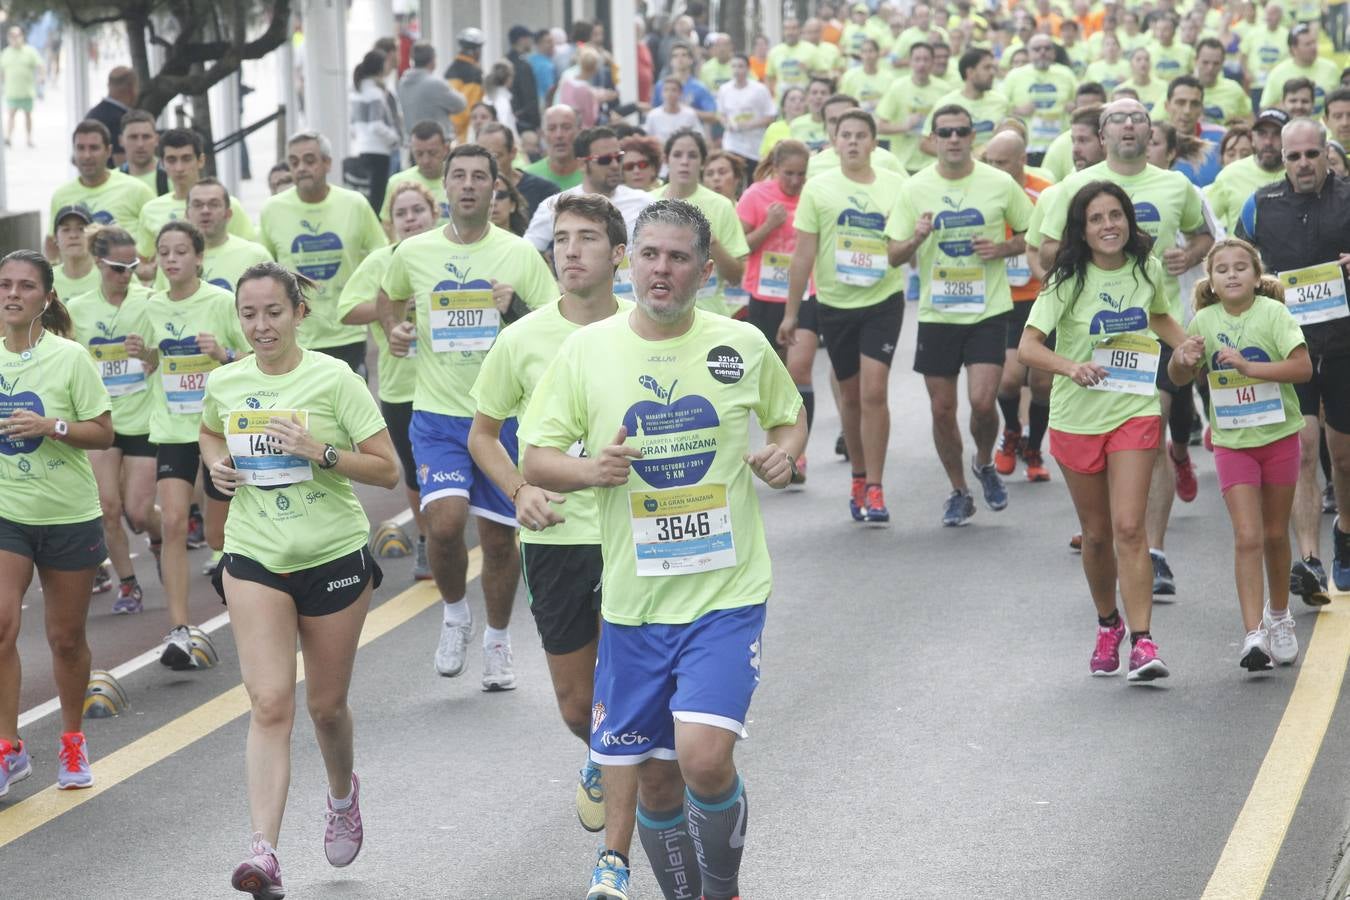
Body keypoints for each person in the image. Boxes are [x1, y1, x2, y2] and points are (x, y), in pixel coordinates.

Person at [520, 198, 806, 900]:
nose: (662, 269)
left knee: (704, 760)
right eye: (650, 254)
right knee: (653, 777)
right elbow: (535, 457)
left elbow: (789, 417)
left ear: (705, 272)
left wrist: (783, 456)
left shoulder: (738, 345)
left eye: (679, 258)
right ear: (629, 263)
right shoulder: (588, 351)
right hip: (634, 602)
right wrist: (592, 471)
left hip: (726, 593)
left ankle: (723, 888)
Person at [199, 263, 398, 899]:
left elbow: (389, 470)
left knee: (325, 705)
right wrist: (217, 465)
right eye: (249, 314)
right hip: (254, 555)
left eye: (273, 313)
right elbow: (208, 431)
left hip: (333, 557)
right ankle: (264, 850)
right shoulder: (226, 382)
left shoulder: (334, 379)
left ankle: (342, 795)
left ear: (298, 315)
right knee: (269, 703)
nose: (261, 326)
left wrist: (321, 453)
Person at [468, 193, 639, 896]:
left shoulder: (646, 328)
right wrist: (519, 491)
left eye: (588, 239)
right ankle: (602, 754)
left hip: (636, 539)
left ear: (619, 256)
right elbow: (482, 433)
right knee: (579, 707)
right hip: (557, 540)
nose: (571, 251)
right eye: (562, 240)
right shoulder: (524, 338)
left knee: (625, 698)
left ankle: (616, 861)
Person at [377, 144, 557, 691]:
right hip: (437, 415)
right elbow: (389, 298)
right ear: (445, 189)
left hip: (501, 418)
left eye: (481, 177)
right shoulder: (414, 252)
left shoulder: (519, 254)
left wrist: (514, 309)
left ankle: (498, 643)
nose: (470, 185)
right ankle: (456, 615)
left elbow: (552, 322)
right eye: (460, 176)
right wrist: (396, 330)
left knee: (501, 543)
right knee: (446, 525)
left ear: (496, 190)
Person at [1019, 181, 1198, 682]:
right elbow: (1028, 348)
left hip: (1134, 409)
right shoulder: (1066, 279)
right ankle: (1108, 624)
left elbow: (1160, 315)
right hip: (1076, 418)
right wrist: (1071, 366)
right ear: (1083, 229)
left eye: (1115, 215)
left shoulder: (1147, 268)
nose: (1108, 225)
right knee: (1097, 536)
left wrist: (1183, 347)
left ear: (1129, 221)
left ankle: (1143, 641)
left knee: (1128, 527)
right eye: (1096, 218)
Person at [1038, 99, 1214, 594]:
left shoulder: (1177, 185)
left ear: (1151, 129)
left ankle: (1150, 548)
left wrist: (1187, 255)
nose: (1130, 126)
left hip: (1155, 329)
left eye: (1139, 118)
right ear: (1102, 132)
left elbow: (1204, 238)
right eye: (1119, 119)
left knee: (1150, 425)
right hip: (1094, 336)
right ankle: (1118, 529)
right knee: (1133, 439)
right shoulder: (1072, 188)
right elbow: (1044, 252)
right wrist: (1095, 260)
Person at [1166, 238, 1311, 670]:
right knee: (1247, 536)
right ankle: (1253, 636)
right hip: (1232, 443)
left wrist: (1251, 369)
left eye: (1240, 267)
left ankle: (1280, 616)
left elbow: (1302, 369)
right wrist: (1181, 358)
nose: (1231, 275)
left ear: (1256, 274)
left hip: (1279, 436)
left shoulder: (1275, 314)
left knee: (1272, 534)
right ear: (1210, 280)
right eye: (1222, 269)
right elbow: (1179, 376)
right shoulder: (1204, 320)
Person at [0, 249, 114, 797]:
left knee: (66, 640)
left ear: (45, 298)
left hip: (68, 513)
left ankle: (72, 740)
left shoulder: (70, 359)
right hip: (9, 512)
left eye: (25, 286)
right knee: (1, 624)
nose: (13, 294)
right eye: (5, 285)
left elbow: (103, 432)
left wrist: (51, 424)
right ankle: (8, 749)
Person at [891, 105, 1034, 525]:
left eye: (961, 132)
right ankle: (958, 489)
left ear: (974, 137)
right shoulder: (914, 188)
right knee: (941, 410)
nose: (953, 139)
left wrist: (1002, 248)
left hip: (987, 309)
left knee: (982, 402)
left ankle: (985, 461)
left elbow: (1032, 234)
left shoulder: (999, 183)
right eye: (945, 132)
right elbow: (892, 254)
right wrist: (916, 238)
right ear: (933, 139)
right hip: (938, 314)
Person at [1237, 117, 1350, 597]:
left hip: (1345, 342)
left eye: (1312, 153)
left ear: (1327, 152)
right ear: (1280, 158)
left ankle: (1344, 533)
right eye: (1293, 156)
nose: (1303, 163)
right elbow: (1235, 265)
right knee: (1303, 449)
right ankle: (1309, 559)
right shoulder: (1261, 205)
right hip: (1289, 346)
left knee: (1342, 458)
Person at [127, 221, 246, 667]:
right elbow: (160, 359)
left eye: (181, 251)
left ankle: (249, 601)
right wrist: (146, 355)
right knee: (174, 523)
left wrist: (224, 355)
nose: (172, 259)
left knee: (218, 534)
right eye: (164, 252)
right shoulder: (152, 306)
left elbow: (254, 356)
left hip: (217, 430)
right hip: (173, 430)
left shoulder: (220, 302)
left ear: (199, 258)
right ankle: (178, 630)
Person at [784, 109, 907, 521]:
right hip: (835, 304)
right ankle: (857, 475)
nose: (852, 142)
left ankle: (876, 485)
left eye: (860, 136)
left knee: (875, 392)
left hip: (883, 299)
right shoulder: (818, 189)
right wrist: (792, 313)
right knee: (851, 397)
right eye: (845, 135)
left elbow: (908, 241)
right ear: (834, 142)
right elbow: (803, 254)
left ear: (873, 143)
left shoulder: (896, 185)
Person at [338, 181, 439, 583]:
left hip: (458, 384)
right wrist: (391, 307)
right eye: (402, 213)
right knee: (415, 473)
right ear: (390, 223)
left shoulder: (450, 255)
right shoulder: (381, 262)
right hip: (403, 386)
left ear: (434, 213)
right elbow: (346, 310)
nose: (411, 219)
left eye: (418, 210)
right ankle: (428, 541)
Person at [67, 227, 162, 615]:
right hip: (101, 420)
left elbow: (163, 362)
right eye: (119, 268)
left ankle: (158, 538)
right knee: (107, 507)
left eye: (133, 267)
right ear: (99, 263)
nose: (127, 275)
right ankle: (128, 583)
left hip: (142, 418)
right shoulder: (79, 308)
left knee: (138, 513)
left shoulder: (152, 301)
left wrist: (149, 355)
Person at [259, 131, 388, 375]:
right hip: (298, 334)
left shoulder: (355, 204)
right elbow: (264, 270)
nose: (302, 168)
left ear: (327, 163)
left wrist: (372, 303)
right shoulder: (272, 209)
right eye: (294, 162)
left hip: (347, 332)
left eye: (309, 160)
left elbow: (380, 257)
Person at [740, 139, 819, 478]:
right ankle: (776, 447)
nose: (795, 181)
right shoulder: (756, 195)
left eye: (802, 174)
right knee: (772, 383)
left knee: (799, 371)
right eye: (788, 174)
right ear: (774, 168)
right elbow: (739, 248)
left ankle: (796, 453)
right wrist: (769, 225)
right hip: (764, 296)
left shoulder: (812, 197)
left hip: (805, 295)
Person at [982, 130, 1055, 483]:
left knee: (1041, 384)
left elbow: (1042, 238)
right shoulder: (979, 188)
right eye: (989, 162)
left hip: (1040, 297)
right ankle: (1012, 431)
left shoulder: (1043, 190)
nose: (994, 169)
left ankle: (1035, 448)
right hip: (1002, 297)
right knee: (1009, 380)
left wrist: (1003, 248)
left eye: (1001, 163)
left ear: (1022, 160)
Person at [524, 127, 654, 302]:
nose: (615, 165)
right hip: (582, 308)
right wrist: (553, 284)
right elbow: (529, 253)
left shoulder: (645, 202)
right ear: (582, 164)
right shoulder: (556, 205)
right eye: (605, 160)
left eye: (619, 157)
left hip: (634, 306)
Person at [649, 129, 749, 318]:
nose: (685, 162)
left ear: (703, 162)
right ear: (666, 160)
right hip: (657, 317)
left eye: (693, 155)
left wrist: (711, 242)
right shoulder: (645, 202)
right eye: (677, 155)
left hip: (710, 315)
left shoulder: (721, 206)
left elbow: (736, 276)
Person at [134, 128, 259, 275]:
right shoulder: (150, 210)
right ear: (162, 163)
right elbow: (143, 263)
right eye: (172, 160)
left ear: (201, 161)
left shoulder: (229, 205)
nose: (179, 168)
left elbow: (250, 253)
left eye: (186, 159)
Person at [49, 120, 155, 236]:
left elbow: (159, 237)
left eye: (94, 148)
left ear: (108, 151)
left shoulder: (137, 190)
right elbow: (52, 243)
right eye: (80, 148)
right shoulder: (61, 196)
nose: (87, 155)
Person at [999, 34, 1078, 164]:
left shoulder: (1066, 73)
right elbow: (1001, 108)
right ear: (1029, 53)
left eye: (1047, 49)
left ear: (1053, 53)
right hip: (1028, 146)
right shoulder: (1015, 75)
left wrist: (1074, 107)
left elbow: (1081, 102)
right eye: (1037, 49)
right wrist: (1017, 111)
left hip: (1059, 145)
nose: (1042, 52)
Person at [1208, 109, 1288, 235]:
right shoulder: (1230, 174)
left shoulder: (1299, 174)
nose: (1268, 142)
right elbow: (1202, 225)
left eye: (1277, 134)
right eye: (1262, 134)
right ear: (1252, 138)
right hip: (1238, 254)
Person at [187, 179, 274, 294]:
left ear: (228, 214)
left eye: (214, 204)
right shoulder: (172, 258)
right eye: (197, 205)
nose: (205, 211)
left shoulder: (256, 256)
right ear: (186, 214)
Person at [877, 42, 949, 174]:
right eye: (917, 59)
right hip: (902, 163)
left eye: (926, 59)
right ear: (910, 62)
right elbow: (879, 126)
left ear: (933, 62)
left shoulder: (944, 89)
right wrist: (904, 127)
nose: (922, 64)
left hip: (933, 163)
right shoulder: (897, 87)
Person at [350, 49, 401, 214]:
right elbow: (376, 124)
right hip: (379, 150)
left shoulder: (357, 90)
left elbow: (353, 124)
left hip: (362, 147)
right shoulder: (376, 93)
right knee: (378, 200)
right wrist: (394, 138)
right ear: (380, 67)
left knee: (368, 196)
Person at [928, 48, 1008, 153]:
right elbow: (925, 142)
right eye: (987, 68)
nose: (992, 73)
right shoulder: (946, 103)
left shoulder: (1001, 102)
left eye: (993, 68)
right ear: (970, 72)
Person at [378, 120, 451, 232]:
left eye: (432, 153)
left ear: (445, 149)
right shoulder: (397, 182)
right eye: (419, 154)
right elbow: (387, 225)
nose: (425, 160)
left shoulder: (458, 182)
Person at [476, 122, 560, 218]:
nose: (488, 164)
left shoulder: (544, 191)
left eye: (495, 156)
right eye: (481, 157)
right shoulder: (471, 192)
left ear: (513, 153)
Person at [1261, 23, 1342, 115]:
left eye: (1314, 42)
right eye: (1307, 44)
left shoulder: (1331, 69)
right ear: (1293, 49)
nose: (1313, 47)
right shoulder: (1278, 73)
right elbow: (1265, 108)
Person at [717, 54, 776, 167]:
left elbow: (770, 116)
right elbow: (721, 113)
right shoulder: (724, 90)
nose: (737, 70)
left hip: (754, 144)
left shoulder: (760, 90)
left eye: (740, 66)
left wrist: (748, 124)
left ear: (748, 68)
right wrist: (727, 124)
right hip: (732, 143)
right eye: (734, 66)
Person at [397, 43, 467, 137]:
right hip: (436, 141)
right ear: (432, 60)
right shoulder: (435, 83)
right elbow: (460, 104)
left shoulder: (402, 83)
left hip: (413, 141)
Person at [84, 67, 138, 166]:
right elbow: (121, 162)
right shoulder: (121, 119)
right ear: (131, 88)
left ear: (109, 85)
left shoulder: (92, 114)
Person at [524, 106, 585, 190]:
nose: (559, 135)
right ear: (542, 134)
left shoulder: (593, 174)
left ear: (579, 131)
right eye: (551, 129)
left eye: (566, 127)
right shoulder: (528, 177)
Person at [1, 26, 42, 148]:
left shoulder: (30, 51)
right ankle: (8, 137)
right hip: (12, 91)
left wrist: (41, 77)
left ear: (22, 37)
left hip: (26, 91)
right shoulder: (5, 53)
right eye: (12, 36)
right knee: (11, 116)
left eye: (17, 36)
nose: (14, 39)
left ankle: (29, 138)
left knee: (28, 116)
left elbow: (40, 65)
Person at [51, 204, 101, 303]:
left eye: (81, 229)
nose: (73, 235)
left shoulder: (109, 275)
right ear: (55, 238)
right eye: (66, 230)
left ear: (93, 236)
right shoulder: (45, 281)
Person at [445, 28, 486, 142]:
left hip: (449, 129)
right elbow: (470, 106)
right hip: (464, 134)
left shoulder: (450, 69)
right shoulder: (474, 73)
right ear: (476, 50)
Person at [118, 110, 166, 195]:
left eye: (146, 137)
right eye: (133, 137)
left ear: (156, 140)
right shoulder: (110, 180)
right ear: (121, 141)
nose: (140, 144)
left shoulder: (173, 176)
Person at [645, 74, 704, 142]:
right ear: (661, 93)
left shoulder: (690, 114)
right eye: (666, 90)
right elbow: (647, 139)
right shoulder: (653, 115)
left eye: (674, 90)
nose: (669, 93)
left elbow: (700, 136)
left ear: (680, 93)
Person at [506, 26, 541, 135]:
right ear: (521, 40)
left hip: (510, 119)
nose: (531, 42)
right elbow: (529, 97)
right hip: (525, 123)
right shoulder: (523, 65)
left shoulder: (506, 61)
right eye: (529, 38)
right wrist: (536, 123)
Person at [757, 86, 807, 159]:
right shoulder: (773, 128)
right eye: (792, 99)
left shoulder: (812, 126)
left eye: (802, 100)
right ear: (783, 106)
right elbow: (763, 156)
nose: (797, 102)